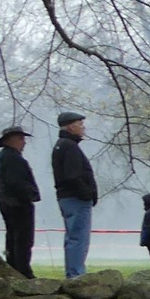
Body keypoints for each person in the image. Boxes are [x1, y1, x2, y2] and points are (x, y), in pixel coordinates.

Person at [51, 112, 98, 278]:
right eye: (80, 124)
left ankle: (73, 270)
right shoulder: (69, 146)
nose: (83, 127)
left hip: (66, 197)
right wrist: (86, 193)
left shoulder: (61, 145)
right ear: (70, 126)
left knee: (72, 235)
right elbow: (73, 175)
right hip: (75, 198)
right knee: (78, 236)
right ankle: (76, 273)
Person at [0, 125, 40, 279]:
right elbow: (17, 182)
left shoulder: (3, 157)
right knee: (22, 239)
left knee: (13, 237)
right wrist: (31, 194)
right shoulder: (13, 158)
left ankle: (14, 266)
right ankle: (23, 270)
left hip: (7, 202)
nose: (24, 142)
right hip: (18, 204)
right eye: (20, 138)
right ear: (10, 140)